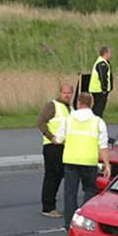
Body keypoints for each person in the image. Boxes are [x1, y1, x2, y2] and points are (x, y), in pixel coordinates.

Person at [55, 92, 110, 230]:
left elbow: (58, 139)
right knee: (90, 191)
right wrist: (107, 164)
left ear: (78, 103)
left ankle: (69, 224)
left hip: (71, 160)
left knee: (70, 193)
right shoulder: (98, 122)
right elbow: (103, 146)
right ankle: (85, 221)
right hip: (89, 162)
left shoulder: (68, 120)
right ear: (91, 104)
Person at [38, 84, 73, 218]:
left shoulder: (70, 108)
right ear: (60, 93)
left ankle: (52, 205)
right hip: (52, 146)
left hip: (64, 146)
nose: (67, 95)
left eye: (69, 93)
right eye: (64, 93)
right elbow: (41, 122)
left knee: (59, 175)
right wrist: (50, 136)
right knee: (52, 176)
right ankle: (48, 207)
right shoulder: (52, 106)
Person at [88, 46, 113, 118]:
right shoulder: (102, 63)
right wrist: (104, 89)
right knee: (98, 109)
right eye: (110, 53)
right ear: (106, 53)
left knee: (98, 108)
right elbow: (103, 77)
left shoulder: (102, 62)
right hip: (99, 90)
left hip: (98, 90)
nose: (111, 55)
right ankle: (96, 123)